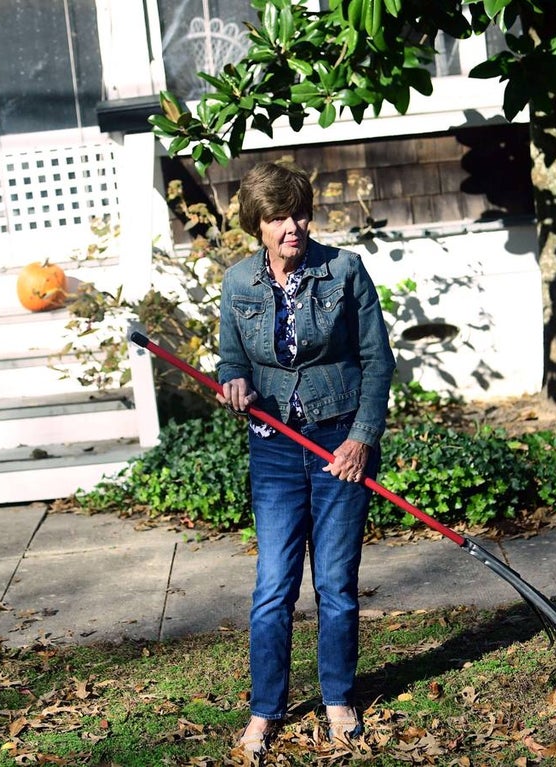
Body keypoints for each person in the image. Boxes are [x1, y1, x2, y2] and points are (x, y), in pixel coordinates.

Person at [215, 160, 396, 755]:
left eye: (298, 214)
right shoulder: (238, 283)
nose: (291, 226)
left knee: (337, 583)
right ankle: (266, 708)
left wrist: (361, 439)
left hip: (338, 443)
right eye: (277, 217)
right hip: (273, 449)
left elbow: (378, 362)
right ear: (258, 225)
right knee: (274, 585)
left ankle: (338, 698)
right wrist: (234, 384)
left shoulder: (344, 271)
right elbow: (232, 360)